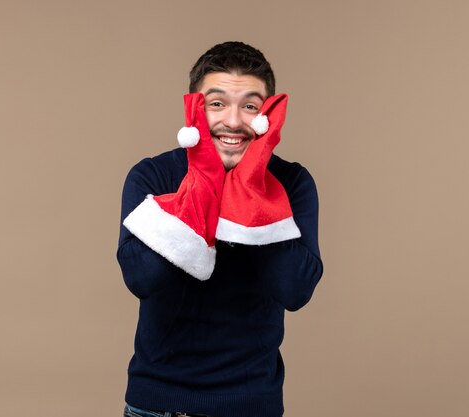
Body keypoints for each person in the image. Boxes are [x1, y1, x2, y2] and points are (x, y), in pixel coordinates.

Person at [117, 41, 323, 417]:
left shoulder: (292, 183)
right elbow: (140, 279)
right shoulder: (152, 175)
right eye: (216, 104)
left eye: (250, 106)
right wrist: (203, 185)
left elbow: (294, 290)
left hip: (251, 405)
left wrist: (251, 187)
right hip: (157, 404)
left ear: (269, 116)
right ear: (194, 110)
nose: (232, 121)